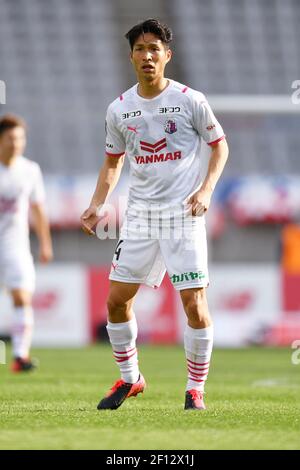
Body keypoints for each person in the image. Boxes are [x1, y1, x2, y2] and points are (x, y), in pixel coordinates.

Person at [81, 18, 229, 410]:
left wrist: (206, 189)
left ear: (167, 55)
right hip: (142, 218)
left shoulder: (190, 99)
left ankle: (195, 388)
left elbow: (220, 147)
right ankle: (131, 379)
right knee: (115, 301)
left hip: (183, 215)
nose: (147, 55)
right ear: (131, 56)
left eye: (154, 49)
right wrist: (98, 203)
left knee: (194, 305)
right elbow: (112, 163)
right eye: (140, 49)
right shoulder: (119, 109)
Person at [0, 114, 53, 372]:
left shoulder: (30, 170)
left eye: (20, 138)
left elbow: (38, 209)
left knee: (21, 297)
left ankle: (20, 356)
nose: (16, 143)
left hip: (15, 246)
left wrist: (45, 243)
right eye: (11, 138)